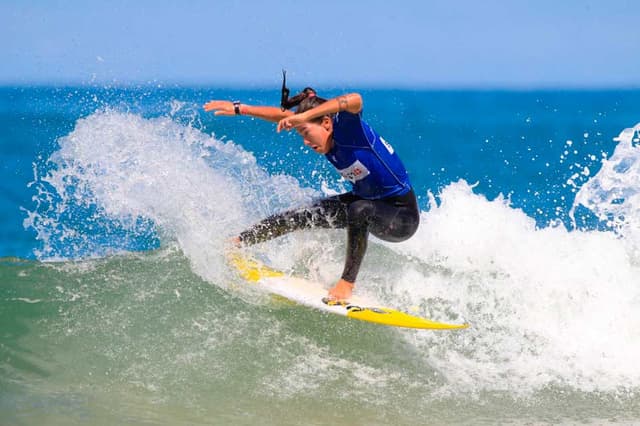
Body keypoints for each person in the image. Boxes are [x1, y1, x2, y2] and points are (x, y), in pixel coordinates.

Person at [203, 78, 419, 302]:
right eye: (301, 135)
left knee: (358, 209)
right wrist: (240, 109)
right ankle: (238, 242)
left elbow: (355, 99)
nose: (306, 142)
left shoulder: (349, 131)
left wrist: (304, 117)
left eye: (306, 133)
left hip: (400, 216)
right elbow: (285, 117)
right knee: (307, 213)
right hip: (367, 202)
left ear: (326, 123)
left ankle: (346, 285)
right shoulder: (326, 134)